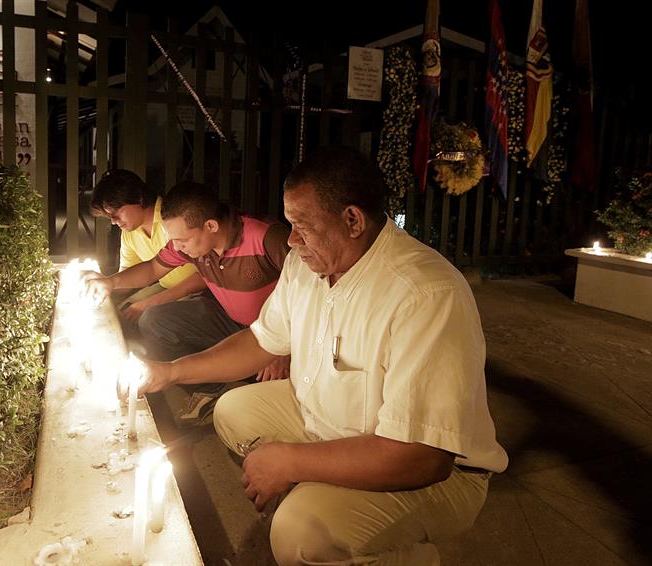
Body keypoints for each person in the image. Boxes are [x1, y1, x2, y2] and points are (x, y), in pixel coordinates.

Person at [139, 146, 508, 564]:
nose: (291, 240)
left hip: (432, 472)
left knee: (300, 534)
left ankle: (407, 556)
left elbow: (423, 457)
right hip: (330, 423)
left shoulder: (425, 293)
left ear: (352, 219)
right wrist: (169, 371)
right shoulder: (306, 265)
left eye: (301, 226)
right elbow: (260, 341)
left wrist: (290, 461)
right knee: (233, 410)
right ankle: (327, 490)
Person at [85, 180, 291, 425]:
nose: (178, 247)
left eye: (182, 240)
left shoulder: (266, 237)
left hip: (277, 331)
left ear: (211, 225)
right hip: (231, 320)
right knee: (156, 320)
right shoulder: (190, 245)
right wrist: (110, 283)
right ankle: (213, 389)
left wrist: (284, 347)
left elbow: (311, 292)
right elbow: (153, 269)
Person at [89, 169, 204, 327]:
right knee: (119, 313)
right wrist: (104, 283)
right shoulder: (129, 232)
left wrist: (151, 303)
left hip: (199, 291)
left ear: (139, 199)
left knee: (149, 319)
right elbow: (137, 272)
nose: (114, 221)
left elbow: (205, 274)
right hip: (166, 286)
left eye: (116, 213)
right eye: (109, 217)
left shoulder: (174, 218)